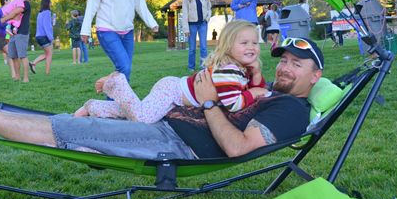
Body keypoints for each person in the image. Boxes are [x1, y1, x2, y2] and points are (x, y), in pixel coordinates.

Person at [0, 37, 324, 160]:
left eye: (297, 65)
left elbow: (238, 147)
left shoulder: (291, 109)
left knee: (66, 129)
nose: (286, 68)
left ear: (315, 77)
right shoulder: (267, 90)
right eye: (285, 60)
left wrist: (206, 103)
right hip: (166, 122)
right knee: (76, 125)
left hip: (173, 142)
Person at [74, 20, 267, 123]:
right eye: (244, 43)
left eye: (254, 42)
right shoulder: (229, 70)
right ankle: (116, 82)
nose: (251, 47)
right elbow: (234, 103)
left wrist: (256, 75)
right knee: (143, 119)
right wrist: (253, 92)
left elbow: (254, 89)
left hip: (175, 90)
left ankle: (93, 107)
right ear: (228, 46)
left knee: (137, 112)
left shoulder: (240, 68)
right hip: (173, 91)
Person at [181, 0, 212, 71]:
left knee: (203, 47)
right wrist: (185, 29)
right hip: (191, 25)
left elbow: (209, 7)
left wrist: (207, 18)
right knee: (192, 48)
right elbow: (185, 14)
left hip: (203, 24)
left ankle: (203, 66)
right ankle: (191, 67)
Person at [2, 0, 33, 82]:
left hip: (22, 32)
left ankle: (26, 78)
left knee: (22, 55)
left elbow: (15, 14)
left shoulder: (25, 4)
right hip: (12, 33)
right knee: (14, 56)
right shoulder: (16, 4)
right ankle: (17, 76)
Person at [30, 0, 54, 75]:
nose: (51, 3)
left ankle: (33, 63)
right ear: (47, 3)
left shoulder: (40, 13)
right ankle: (47, 73)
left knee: (47, 54)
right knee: (49, 54)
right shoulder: (47, 13)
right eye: (50, 2)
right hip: (44, 36)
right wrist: (50, 37)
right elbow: (46, 26)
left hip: (38, 36)